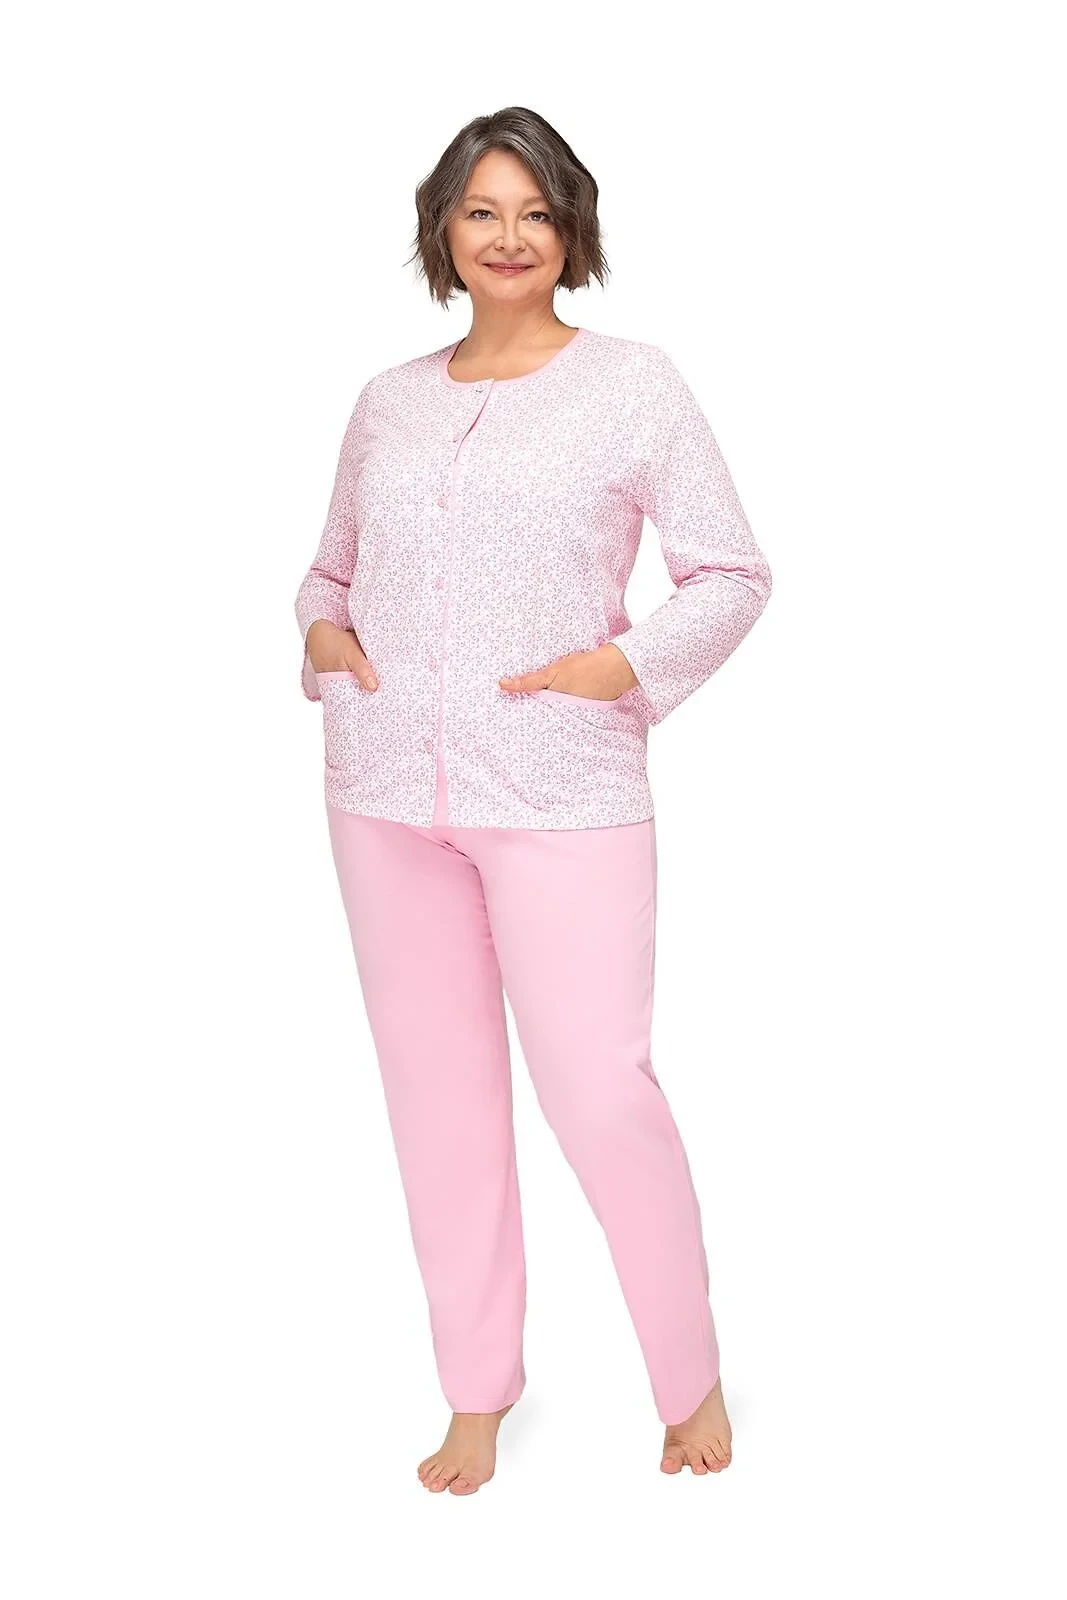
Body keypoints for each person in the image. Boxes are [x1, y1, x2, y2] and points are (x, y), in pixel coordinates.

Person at [294, 106, 772, 1495]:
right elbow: (329, 571)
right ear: (442, 228)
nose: (509, 236)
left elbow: (732, 573)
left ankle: (685, 1375)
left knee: (599, 1091)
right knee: (436, 1105)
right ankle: (474, 1395)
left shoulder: (632, 385)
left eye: (536, 212)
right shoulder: (387, 399)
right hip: (384, 796)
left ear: (572, 228)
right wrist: (321, 639)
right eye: (481, 211)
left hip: (563, 793)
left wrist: (618, 669)